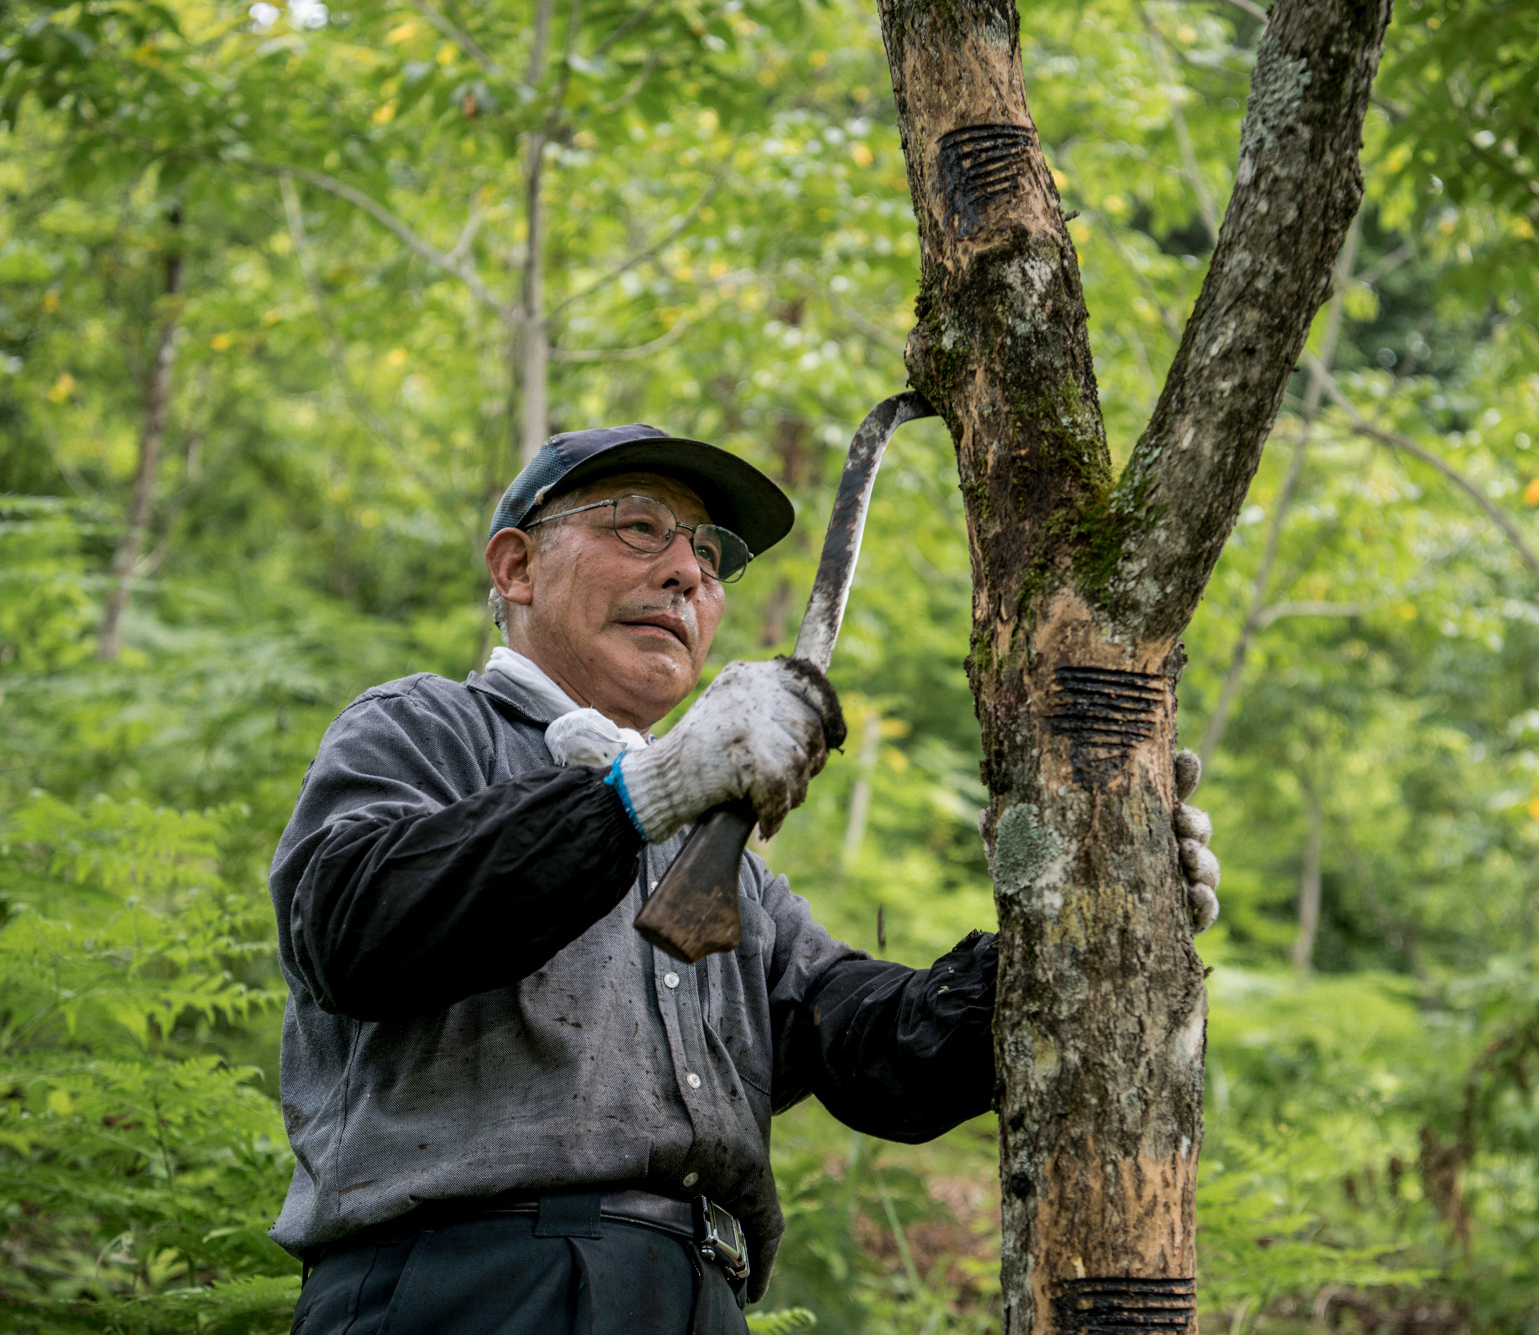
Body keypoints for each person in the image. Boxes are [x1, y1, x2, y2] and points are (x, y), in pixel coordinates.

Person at [268, 424, 1220, 1334]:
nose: (685, 570)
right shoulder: (422, 729)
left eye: (709, 557)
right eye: (638, 527)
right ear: (516, 566)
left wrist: (1098, 921)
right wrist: (651, 788)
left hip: (700, 1300)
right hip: (473, 1290)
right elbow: (352, 926)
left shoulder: (727, 867)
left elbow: (877, 1050)